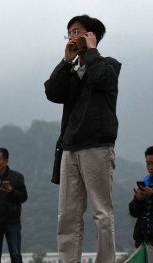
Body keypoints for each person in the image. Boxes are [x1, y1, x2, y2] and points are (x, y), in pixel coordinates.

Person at [44, 14, 121, 263]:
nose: (71, 37)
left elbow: (99, 78)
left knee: (101, 213)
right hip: (70, 147)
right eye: (68, 33)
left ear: (91, 36)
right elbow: (52, 92)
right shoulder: (72, 72)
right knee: (67, 214)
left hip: (97, 146)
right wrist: (66, 62)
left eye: (77, 31)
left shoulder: (108, 65)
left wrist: (92, 51)